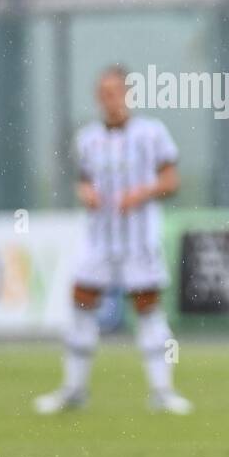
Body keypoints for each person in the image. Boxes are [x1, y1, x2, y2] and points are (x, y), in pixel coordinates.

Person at [34, 66, 192, 415]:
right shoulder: (87, 139)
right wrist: (86, 192)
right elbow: (85, 181)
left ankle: (163, 391)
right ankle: (74, 390)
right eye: (103, 93)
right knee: (80, 303)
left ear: (129, 93)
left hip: (139, 240)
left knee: (147, 308)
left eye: (115, 91)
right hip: (99, 240)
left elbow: (171, 181)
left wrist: (141, 193)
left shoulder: (152, 134)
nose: (110, 99)